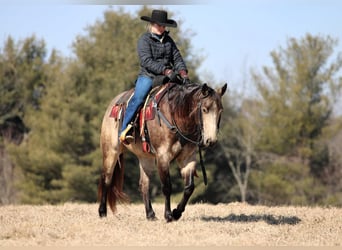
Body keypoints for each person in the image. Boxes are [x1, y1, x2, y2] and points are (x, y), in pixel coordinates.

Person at [119, 9, 190, 143]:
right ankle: (124, 130)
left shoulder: (169, 41)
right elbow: (146, 61)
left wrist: (183, 73)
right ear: (152, 24)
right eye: (159, 25)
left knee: (184, 95)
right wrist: (165, 70)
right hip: (148, 76)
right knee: (139, 98)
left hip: (167, 76)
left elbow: (177, 58)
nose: (162, 28)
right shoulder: (144, 40)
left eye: (163, 25)